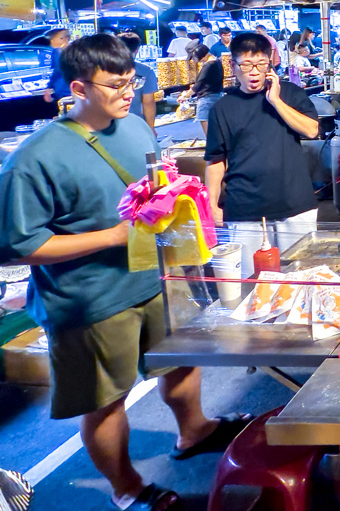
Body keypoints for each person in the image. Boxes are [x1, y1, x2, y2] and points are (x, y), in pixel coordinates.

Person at [0, 35, 246, 511]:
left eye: (132, 80)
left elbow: (153, 191)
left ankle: (194, 430)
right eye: (115, 85)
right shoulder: (34, 158)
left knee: (181, 360)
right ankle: (128, 487)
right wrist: (113, 237)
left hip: (155, 279)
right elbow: (19, 246)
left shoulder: (134, 127)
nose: (129, 92)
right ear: (78, 88)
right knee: (106, 399)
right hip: (90, 297)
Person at [204, 33, 320, 267]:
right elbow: (216, 159)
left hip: (294, 204)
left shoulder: (290, 94)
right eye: (246, 64)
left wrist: (276, 101)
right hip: (244, 209)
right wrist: (212, 204)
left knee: (300, 276)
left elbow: (311, 130)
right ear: (233, 66)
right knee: (251, 283)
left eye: (261, 64)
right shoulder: (222, 108)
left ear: (270, 64)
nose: (254, 71)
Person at [116, 32, 159, 134]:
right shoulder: (145, 71)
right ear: (137, 50)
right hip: (134, 125)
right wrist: (150, 128)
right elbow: (148, 103)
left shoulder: (102, 70)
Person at [182, 44, 225, 136]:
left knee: (206, 125)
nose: (194, 60)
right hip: (217, 95)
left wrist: (185, 95)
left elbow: (198, 85)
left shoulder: (209, 65)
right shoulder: (217, 61)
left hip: (207, 98)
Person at [42, 28, 71, 106]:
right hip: (63, 91)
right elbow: (56, 71)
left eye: (53, 38)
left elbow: (58, 71)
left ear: (65, 39)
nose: (51, 41)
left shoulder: (64, 52)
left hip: (67, 92)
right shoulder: (56, 52)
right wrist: (49, 87)